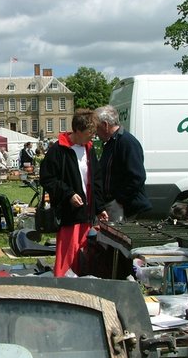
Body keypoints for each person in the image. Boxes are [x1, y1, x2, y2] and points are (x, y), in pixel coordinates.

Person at [40, 109, 108, 277]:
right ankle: (63, 286)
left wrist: (99, 208)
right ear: (77, 130)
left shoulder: (89, 149)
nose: (92, 137)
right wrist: (68, 194)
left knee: (83, 253)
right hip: (69, 213)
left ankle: (81, 286)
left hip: (87, 212)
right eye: (89, 133)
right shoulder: (58, 150)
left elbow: (96, 180)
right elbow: (47, 178)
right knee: (68, 254)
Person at [95, 105, 151, 222]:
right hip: (115, 204)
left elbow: (137, 176)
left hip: (125, 207)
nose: (96, 132)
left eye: (97, 127)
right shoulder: (111, 143)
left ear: (105, 125)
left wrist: (120, 200)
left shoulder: (127, 142)